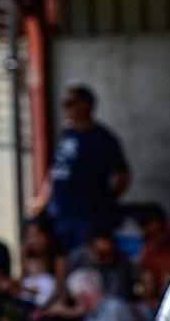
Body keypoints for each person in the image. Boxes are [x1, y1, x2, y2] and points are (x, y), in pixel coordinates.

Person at [32, 86, 131, 254]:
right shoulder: (67, 134)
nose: (65, 108)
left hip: (87, 216)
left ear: (85, 105)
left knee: (83, 259)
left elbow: (123, 174)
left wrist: (107, 200)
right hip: (60, 213)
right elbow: (56, 170)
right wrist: (42, 199)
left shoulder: (102, 138)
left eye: (70, 103)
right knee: (60, 258)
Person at [132, 203, 170, 313]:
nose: (156, 239)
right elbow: (146, 287)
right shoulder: (147, 250)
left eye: (158, 233)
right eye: (150, 236)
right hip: (158, 305)